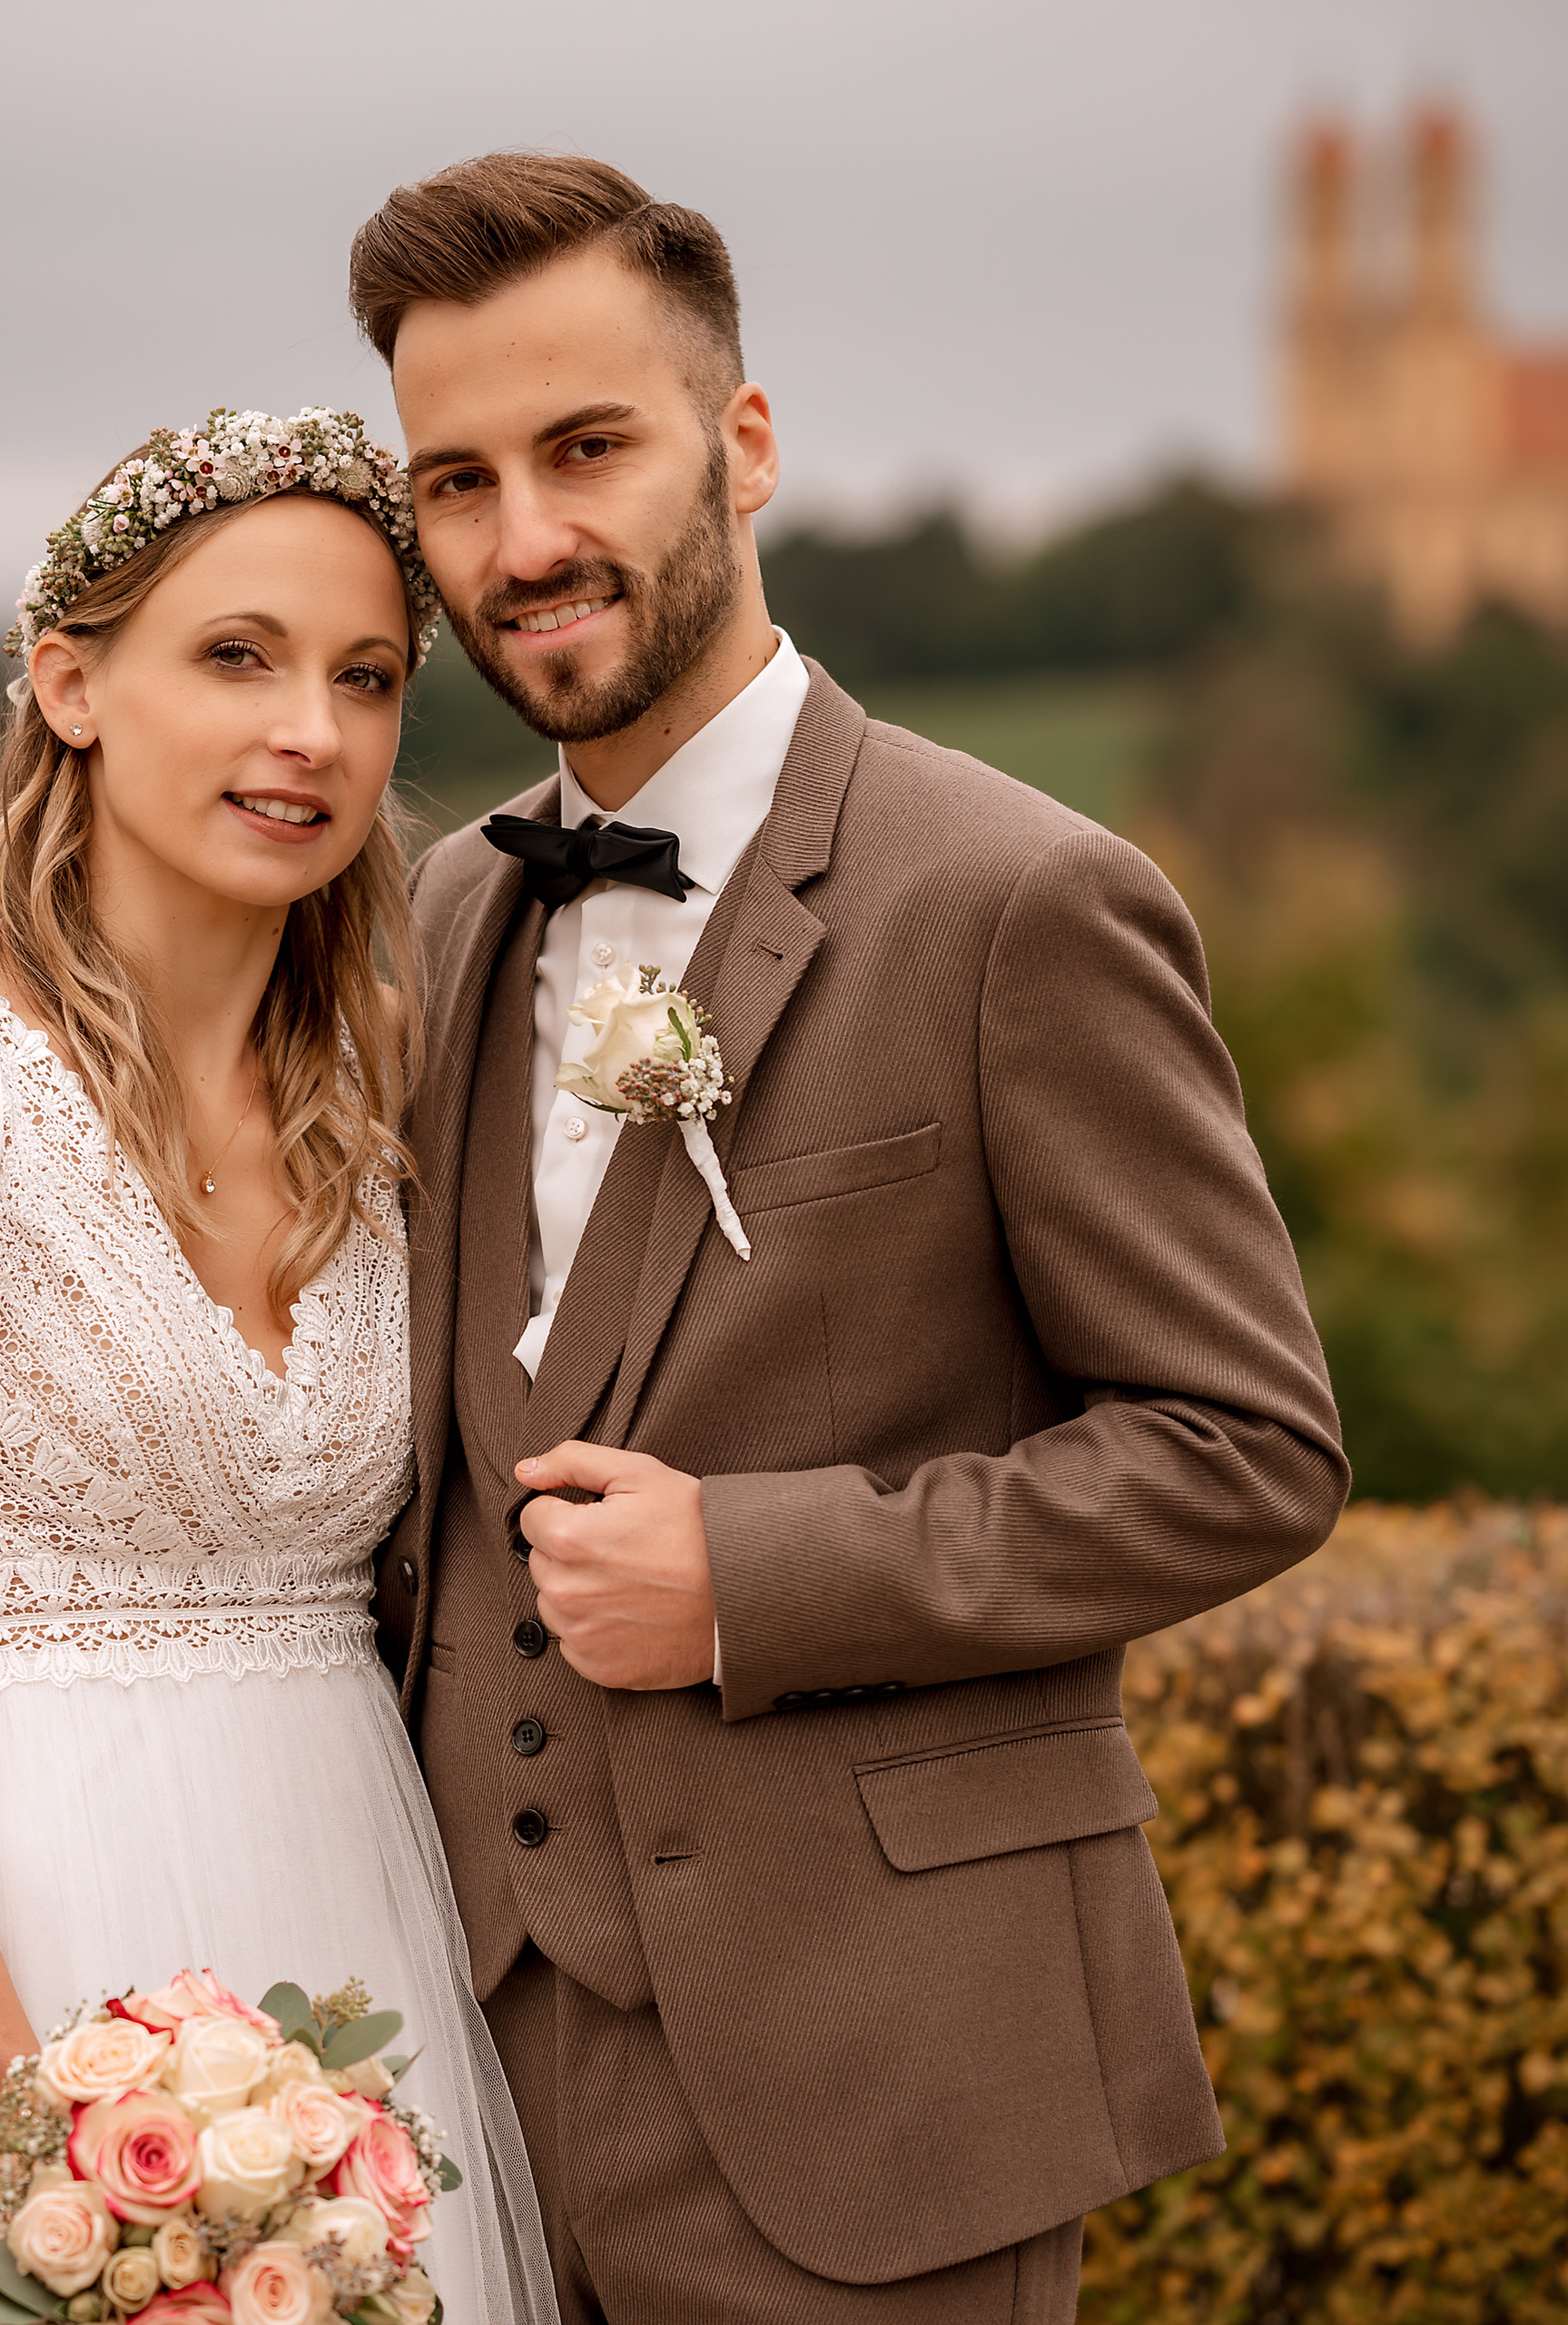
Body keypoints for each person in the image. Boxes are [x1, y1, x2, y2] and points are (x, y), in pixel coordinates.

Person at [350, 156, 1349, 2325]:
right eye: (456, 482)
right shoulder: (440, 910)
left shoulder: (1015, 899)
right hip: (459, 2093)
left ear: (744, 444)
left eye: (586, 448)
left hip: (881, 2079)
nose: (522, 541)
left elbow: (1244, 1446)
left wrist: (755, 1571)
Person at [0, 409, 557, 2325]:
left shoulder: (389, 1071)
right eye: (237, 657)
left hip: (355, 1925)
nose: (311, 732)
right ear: (71, 684)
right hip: (25, 1951)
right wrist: (42, 2147)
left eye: (365, 678)